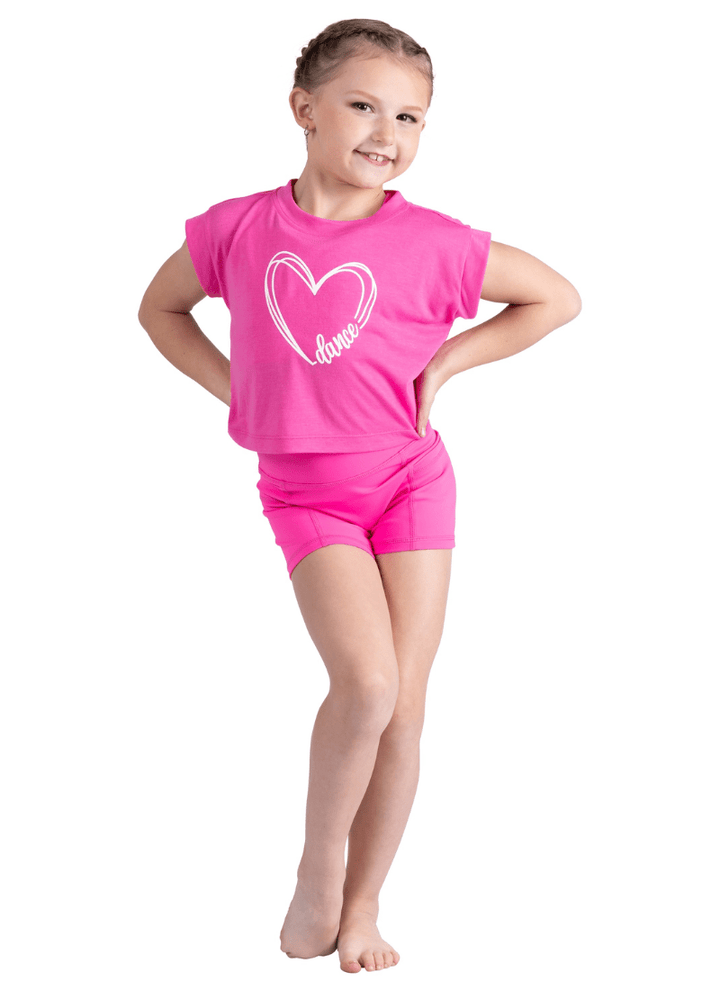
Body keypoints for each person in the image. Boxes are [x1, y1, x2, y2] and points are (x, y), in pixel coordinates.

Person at [138, 17, 581, 975]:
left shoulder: (435, 242)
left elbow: (557, 297)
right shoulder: (237, 230)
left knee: (406, 706)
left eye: (410, 117)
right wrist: (237, 392)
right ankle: (319, 867)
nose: (388, 133)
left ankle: (367, 901)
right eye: (364, 106)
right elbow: (159, 309)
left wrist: (449, 363)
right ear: (304, 109)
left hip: (411, 480)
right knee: (367, 685)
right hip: (308, 496)